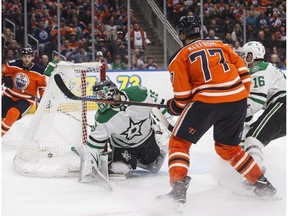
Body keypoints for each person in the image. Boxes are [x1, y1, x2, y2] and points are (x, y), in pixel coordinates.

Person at [158, 16, 277, 206]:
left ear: (182, 34)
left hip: (207, 102)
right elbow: (244, 73)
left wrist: (172, 106)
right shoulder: (222, 45)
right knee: (228, 148)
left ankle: (178, 187)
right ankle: (262, 185)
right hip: (237, 100)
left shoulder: (179, 56)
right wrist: (239, 95)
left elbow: (182, 97)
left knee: (179, 142)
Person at [77, 80, 173, 182]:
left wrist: (171, 129)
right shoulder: (103, 117)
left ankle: (151, 153)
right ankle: (112, 158)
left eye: (101, 94)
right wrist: (90, 158)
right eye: (97, 95)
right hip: (123, 147)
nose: (99, 98)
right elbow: (95, 145)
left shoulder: (139, 93)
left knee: (151, 160)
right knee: (120, 169)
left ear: (111, 91)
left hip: (147, 140)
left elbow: (163, 108)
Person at [240, 41, 286, 172]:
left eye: (245, 55)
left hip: (283, 104)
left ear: (252, 55)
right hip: (280, 107)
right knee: (247, 136)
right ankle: (248, 172)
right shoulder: (264, 68)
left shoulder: (260, 69)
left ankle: (255, 177)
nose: (243, 58)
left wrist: (232, 115)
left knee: (253, 138)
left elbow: (255, 103)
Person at [2, 47, 47, 136]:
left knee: (12, 114)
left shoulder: (39, 71)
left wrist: (43, 98)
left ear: (32, 58)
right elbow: (5, 70)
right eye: (25, 56)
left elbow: (42, 87)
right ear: (21, 57)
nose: (26, 59)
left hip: (26, 100)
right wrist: (7, 76)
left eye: (29, 57)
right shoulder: (13, 65)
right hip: (9, 95)